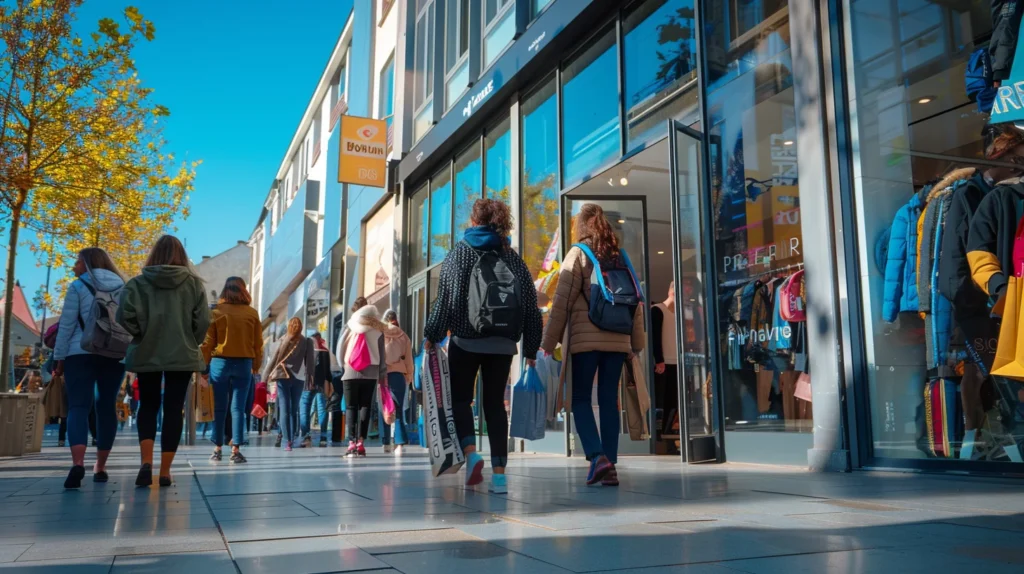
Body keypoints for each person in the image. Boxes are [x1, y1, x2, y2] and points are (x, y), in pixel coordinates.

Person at [424, 199, 543, 493]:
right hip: (502, 344)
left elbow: (446, 300)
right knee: (494, 406)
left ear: (474, 221)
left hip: (465, 341)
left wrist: (432, 334)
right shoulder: (512, 257)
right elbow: (530, 305)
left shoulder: (460, 254)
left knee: (461, 400)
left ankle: (471, 453)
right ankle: (500, 476)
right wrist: (531, 349)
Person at [541, 203, 645, 487]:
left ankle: (597, 457)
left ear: (581, 225)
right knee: (610, 400)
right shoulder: (620, 256)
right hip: (618, 340)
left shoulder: (578, 254)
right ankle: (609, 466)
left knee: (580, 399)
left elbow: (561, 302)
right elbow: (636, 302)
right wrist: (637, 342)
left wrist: (548, 341)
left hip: (586, 341)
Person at [117, 235, 211, 487]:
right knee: (173, 408)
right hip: (181, 352)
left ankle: (146, 462)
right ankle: (166, 471)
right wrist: (192, 339)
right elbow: (203, 321)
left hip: (147, 351)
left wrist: (141, 332)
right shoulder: (193, 285)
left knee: (147, 405)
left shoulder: (137, 284)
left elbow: (123, 315)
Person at [52, 248, 127, 489]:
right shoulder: (123, 286)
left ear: (87, 263)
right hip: (114, 353)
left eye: (77, 261)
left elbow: (66, 324)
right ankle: (101, 467)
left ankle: (78, 464)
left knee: (78, 407)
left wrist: (59, 357)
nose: (74, 266)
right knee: (106, 407)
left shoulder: (77, 286)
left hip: (79, 352)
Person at [201, 277, 263, 464]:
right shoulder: (252, 313)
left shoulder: (216, 312)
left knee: (219, 408)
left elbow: (207, 343)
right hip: (243, 363)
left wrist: (204, 368)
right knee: (238, 408)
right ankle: (235, 449)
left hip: (219, 363)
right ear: (244, 291)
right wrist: (255, 366)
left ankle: (217, 448)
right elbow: (258, 344)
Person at [336, 298, 387, 456]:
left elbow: (340, 348)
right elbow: (382, 354)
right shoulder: (378, 329)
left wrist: (343, 366)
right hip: (371, 372)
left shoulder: (349, 326)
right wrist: (382, 374)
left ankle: (351, 443)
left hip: (350, 370)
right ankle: (361, 442)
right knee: (365, 406)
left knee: (351, 407)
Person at [262, 317, 315, 451]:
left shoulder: (281, 341)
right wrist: (310, 380)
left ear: (288, 327)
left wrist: (264, 378)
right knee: (294, 410)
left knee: (284, 409)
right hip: (299, 378)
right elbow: (310, 364)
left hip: (282, 376)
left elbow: (273, 360)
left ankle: (287, 441)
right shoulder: (307, 341)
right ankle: (293, 438)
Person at [382, 309, 414, 454]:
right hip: (399, 374)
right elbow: (408, 360)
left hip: (383, 374)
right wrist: (409, 376)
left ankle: (386, 442)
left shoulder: (379, 334)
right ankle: (400, 444)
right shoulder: (404, 337)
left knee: (385, 407)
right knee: (399, 409)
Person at [651, 281, 679, 439]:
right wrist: (659, 359)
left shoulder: (681, 313)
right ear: (671, 292)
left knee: (673, 398)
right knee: (661, 399)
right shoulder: (657, 310)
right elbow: (655, 338)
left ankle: (667, 431)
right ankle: (658, 433)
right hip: (663, 363)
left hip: (677, 362)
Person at [301, 332, 333, 447]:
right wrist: (329, 382)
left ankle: (306, 436)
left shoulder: (306, 348)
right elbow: (328, 370)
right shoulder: (324, 350)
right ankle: (323, 437)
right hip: (321, 384)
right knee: (322, 409)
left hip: (307, 383)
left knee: (305, 408)